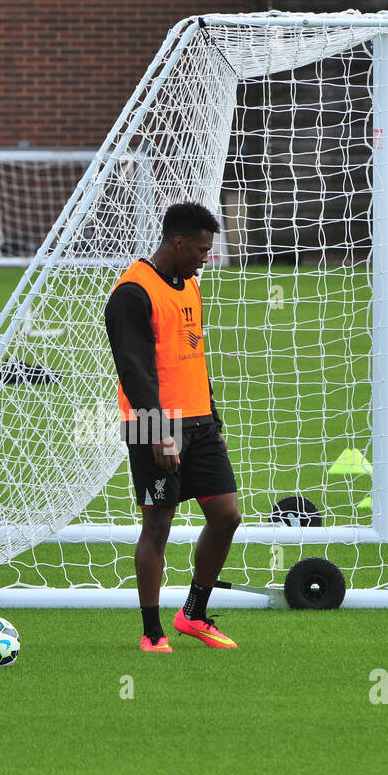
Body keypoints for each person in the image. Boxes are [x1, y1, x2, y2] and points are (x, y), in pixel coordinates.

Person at [104, 202, 242, 653]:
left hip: (200, 421)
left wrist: (214, 418)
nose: (207, 257)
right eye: (202, 249)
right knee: (158, 525)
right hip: (151, 425)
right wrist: (158, 430)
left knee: (226, 515)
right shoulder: (132, 292)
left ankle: (194, 615)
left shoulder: (191, 286)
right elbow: (135, 370)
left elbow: (193, 360)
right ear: (178, 243)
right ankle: (152, 630)